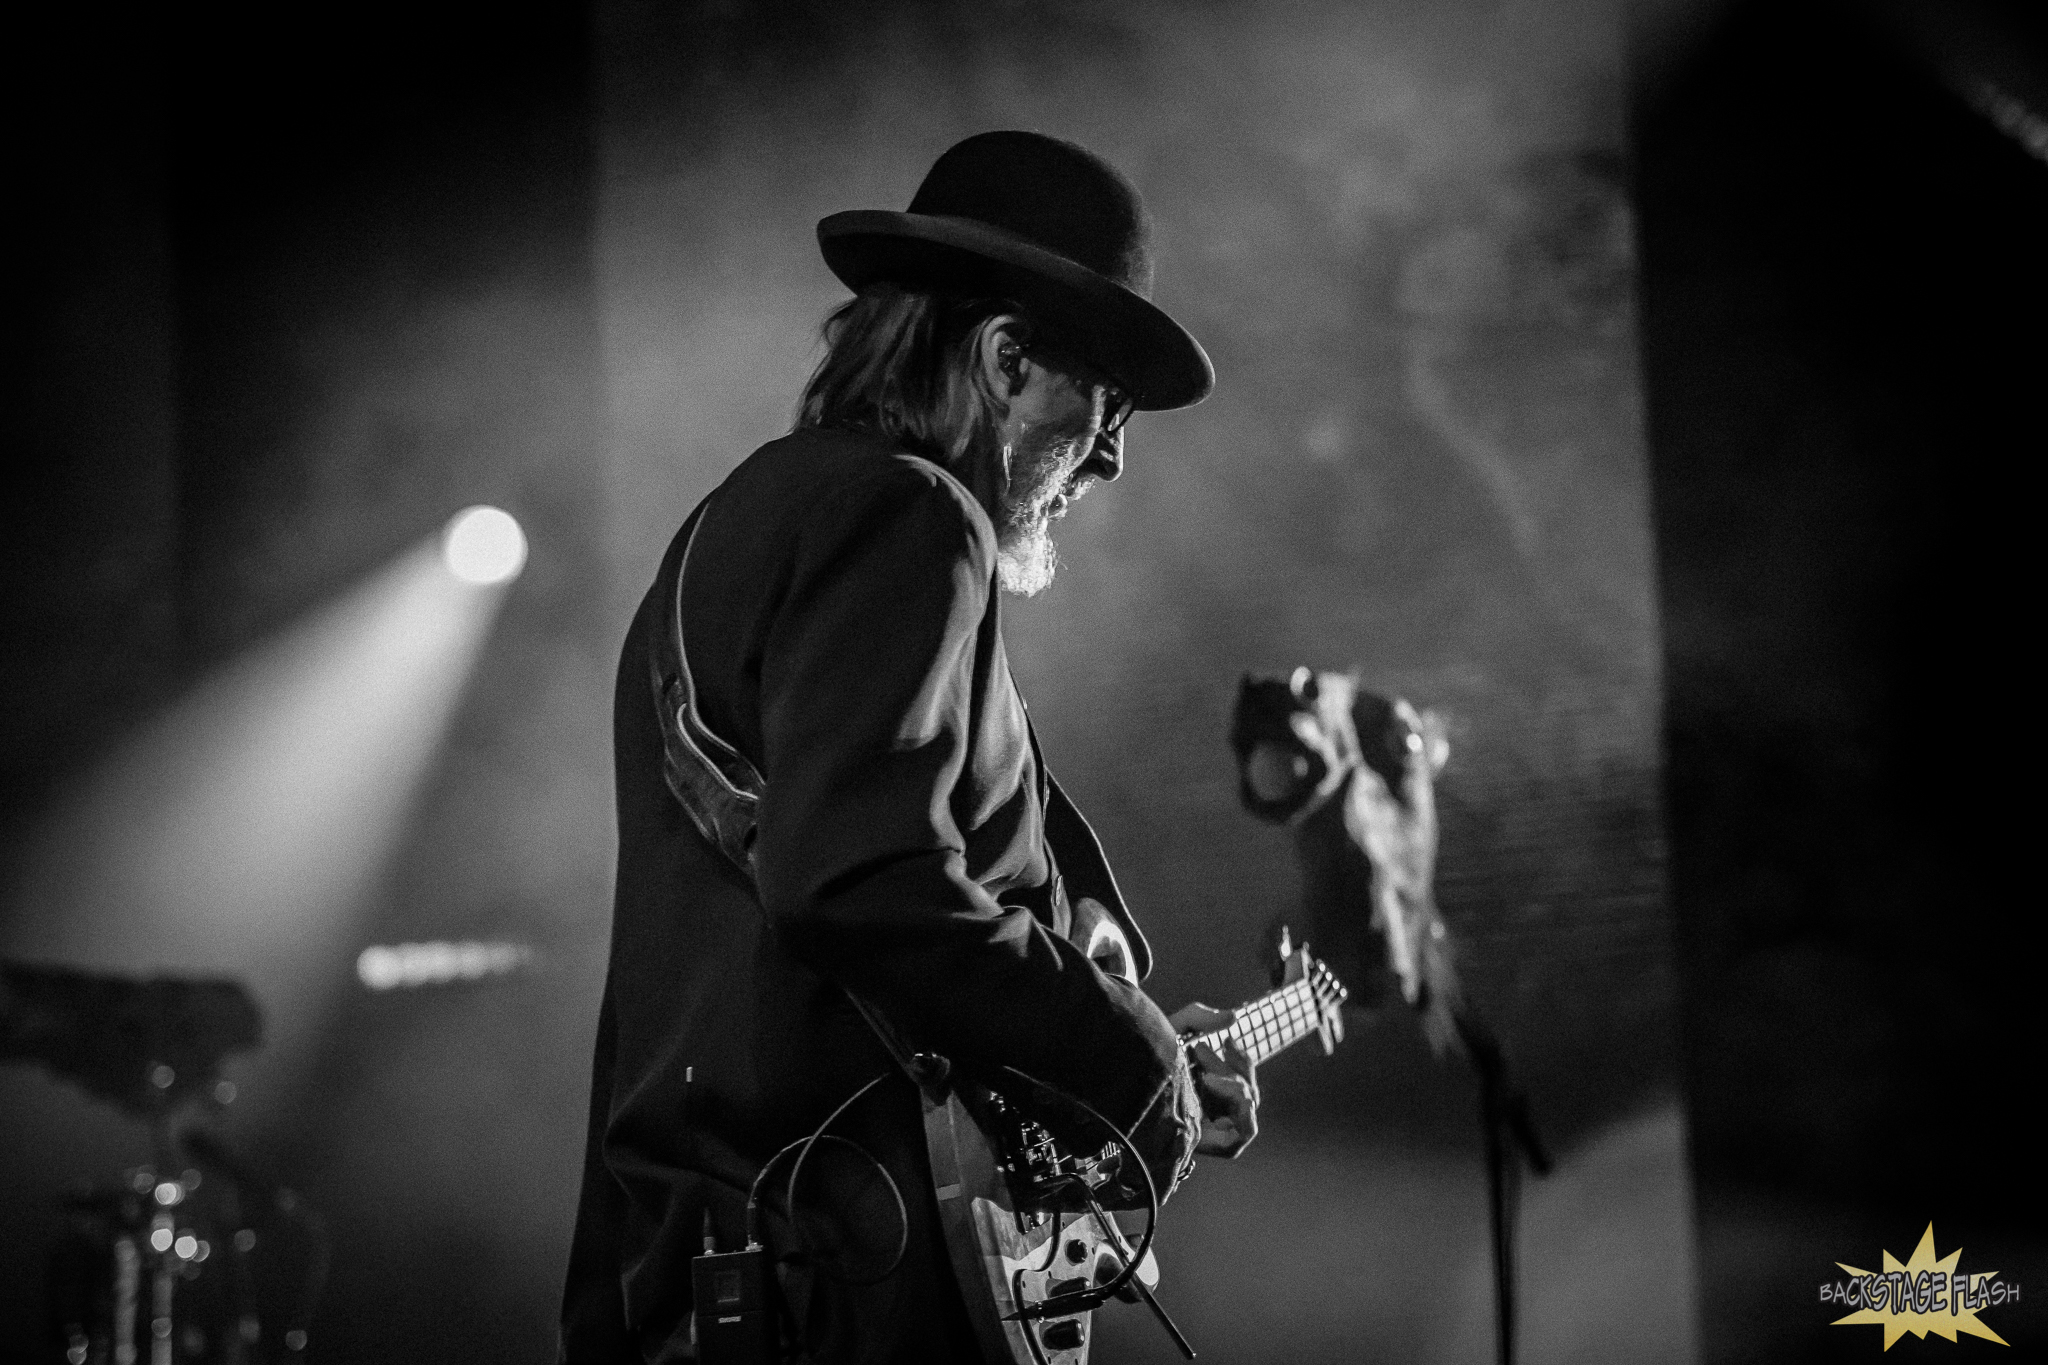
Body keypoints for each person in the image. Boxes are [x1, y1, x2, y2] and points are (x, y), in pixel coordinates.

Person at [560, 130, 1258, 1365]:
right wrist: (1121, 1050)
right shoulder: (911, 514)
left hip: (712, 1275)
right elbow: (859, 881)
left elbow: (875, 931)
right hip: (837, 1284)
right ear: (1003, 356)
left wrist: (1095, 1055)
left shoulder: (743, 523)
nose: (1103, 459)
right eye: (1101, 407)